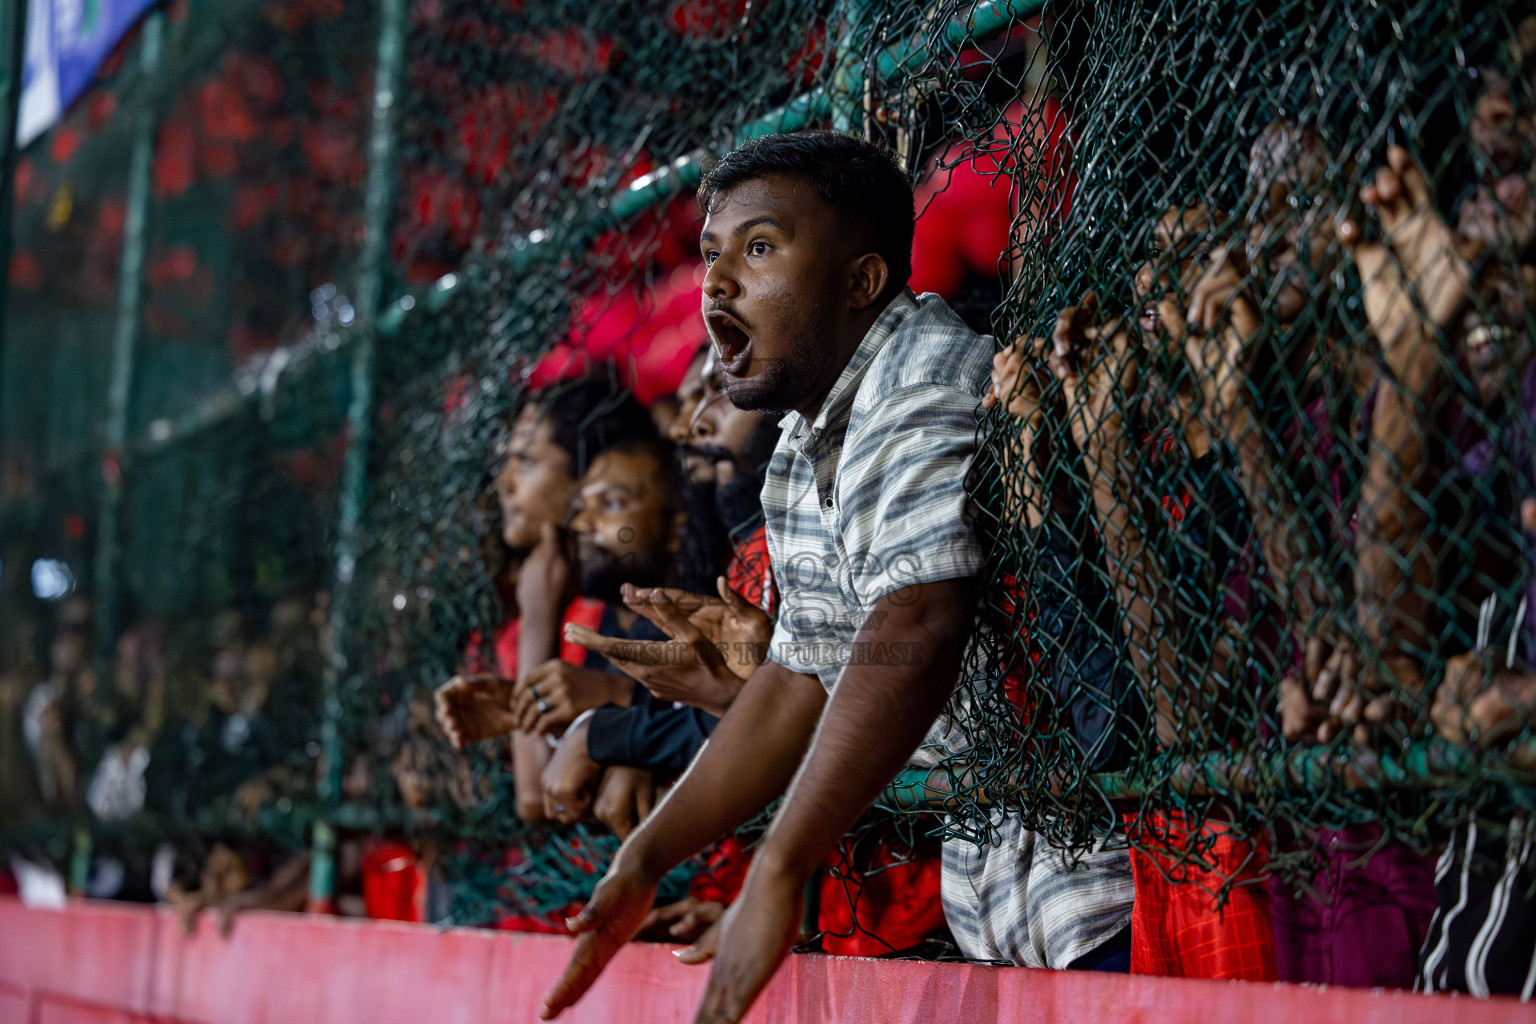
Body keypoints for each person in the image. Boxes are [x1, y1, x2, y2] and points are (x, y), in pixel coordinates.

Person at [540, 129, 991, 1024]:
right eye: (710, 254)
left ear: (861, 282)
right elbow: (799, 678)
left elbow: (918, 621)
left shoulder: (924, 370)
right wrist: (644, 856)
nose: (714, 283)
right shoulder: (798, 443)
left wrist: (778, 870)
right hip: (995, 892)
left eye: (758, 249)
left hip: (1105, 869)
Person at [434, 377, 652, 822]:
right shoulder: (554, 591)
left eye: (526, 462)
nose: (505, 482)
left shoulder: (609, 602)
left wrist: (538, 616)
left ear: (586, 474)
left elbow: (535, 799)